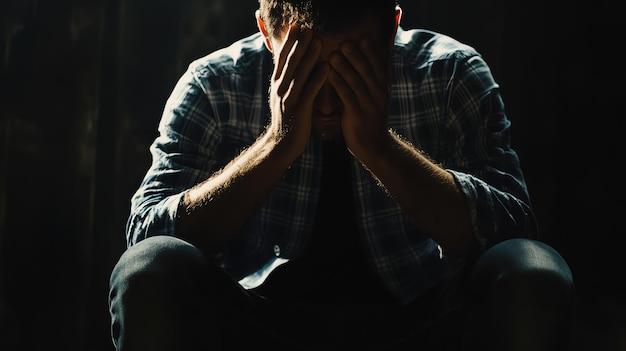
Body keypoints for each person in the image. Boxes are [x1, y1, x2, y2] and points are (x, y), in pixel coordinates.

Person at [108, 0, 575, 350]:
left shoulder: (450, 74)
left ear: (392, 27)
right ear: (266, 33)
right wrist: (276, 143)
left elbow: (514, 230)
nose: (327, 104)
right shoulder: (214, 83)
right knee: (150, 269)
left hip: (419, 321)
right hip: (259, 324)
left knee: (533, 271)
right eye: (305, 69)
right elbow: (148, 235)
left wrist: (378, 146)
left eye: (354, 66)